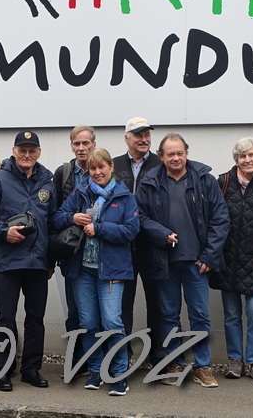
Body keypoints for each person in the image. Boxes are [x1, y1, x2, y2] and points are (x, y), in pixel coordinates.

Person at [135, 133, 229, 388]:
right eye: (170, 154)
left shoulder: (204, 179)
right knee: (168, 315)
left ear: (186, 153)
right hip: (164, 261)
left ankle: (202, 366)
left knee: (200, 315)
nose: (176, 158)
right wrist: (161, 233)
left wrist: (210, 255)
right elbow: (139, 216)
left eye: (180, 153)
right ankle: (174, 363)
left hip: (197, 262)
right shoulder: (149, 182)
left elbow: (220, 218)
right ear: (161, 156)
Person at [54, 148, 140, 396]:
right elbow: (57, 218)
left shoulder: (125, 197)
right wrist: (73, 217)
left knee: (112, 322)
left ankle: (119, 373)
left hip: (112, 271)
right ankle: (95, 370)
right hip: (82, 270)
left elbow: (131, 230)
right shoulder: (80, 192)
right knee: (88, 322)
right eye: (93, 168)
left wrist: (99, 228)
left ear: (111, 167)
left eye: (102, 167)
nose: (97, 172)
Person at [0, 130, 57, 392]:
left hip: (38, 263)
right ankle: (3, 369)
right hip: (8, 261)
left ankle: (31, 369)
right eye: (22, 150)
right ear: (13, 152)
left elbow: (52, 223)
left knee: (35, 318)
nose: (27, 154)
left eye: (32, 150)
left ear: (39, 153)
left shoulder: (47, 181)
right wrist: (4, 231)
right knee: (5, 318)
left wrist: (51, 260)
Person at [210, 137, 253, 383]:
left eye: (252, 155)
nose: (247, 160)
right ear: (236, 159)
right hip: (227, 260)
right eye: (242, 156)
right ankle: (235, 361)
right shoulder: (223, 182)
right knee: (231, 314)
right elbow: (213, 221)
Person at [111, 117, 165, 366]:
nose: (144, 139)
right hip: (123, 248)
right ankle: (123, 356)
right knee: (123, 305)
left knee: (157, 304)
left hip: (153, 246)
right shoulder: (114, 165)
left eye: (147, 135)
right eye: (138, 135)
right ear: (127, 138)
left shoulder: (160, 164)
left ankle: (158, 356)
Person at [52, 125, 96, 373]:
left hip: (100, 251)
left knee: (100, 311)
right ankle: (76, 360)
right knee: (75, 310)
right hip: (72, 251)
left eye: (85, 143)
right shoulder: (64, 173)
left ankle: (97, 360)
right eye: (76, 143)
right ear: (71, 146)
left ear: (94, 145)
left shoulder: (102, 169)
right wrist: (72, 218)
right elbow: (55, 214)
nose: (81, 148)